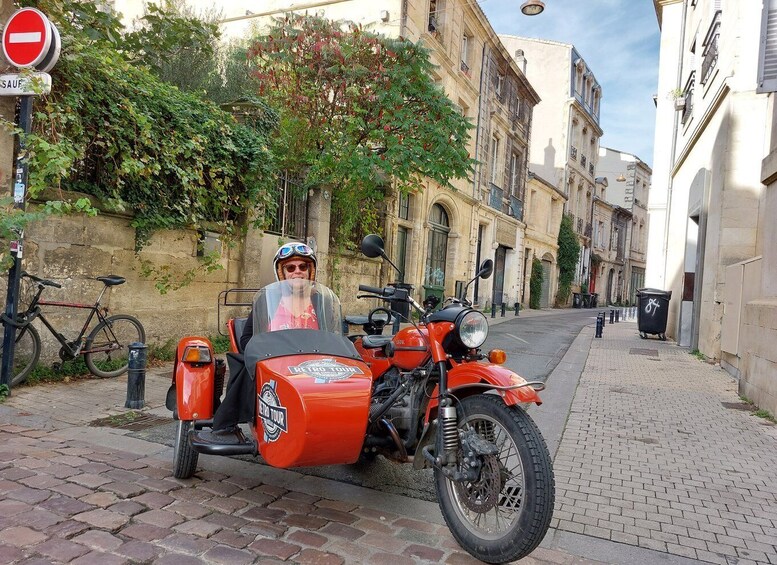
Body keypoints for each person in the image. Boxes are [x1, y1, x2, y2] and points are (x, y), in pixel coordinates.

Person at [193, 242, 318, 446]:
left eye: (303, 267)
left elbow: (333, 334)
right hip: (275, 361)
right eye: (291, 267)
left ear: (310, 271)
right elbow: (246, 339)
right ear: (282, 272)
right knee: (246, 366)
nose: (297, 272)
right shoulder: (267, 302)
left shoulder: (320, 302)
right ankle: (226, 425)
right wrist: (269, 349)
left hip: (310, 363)